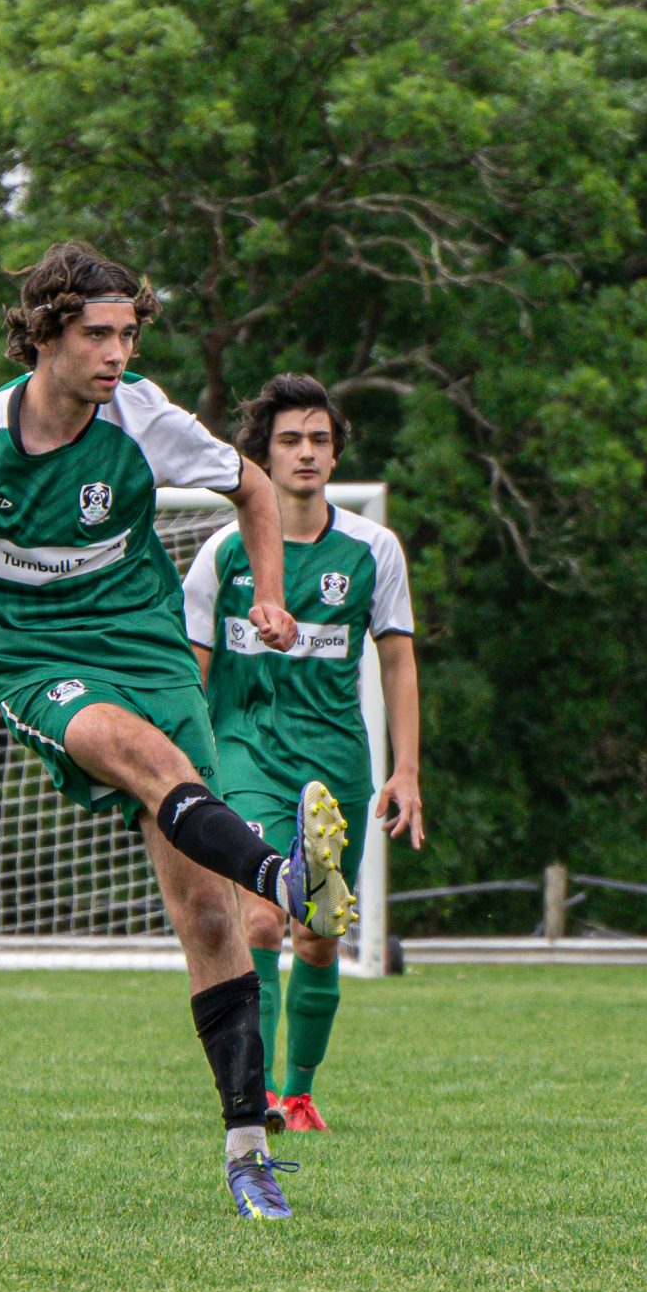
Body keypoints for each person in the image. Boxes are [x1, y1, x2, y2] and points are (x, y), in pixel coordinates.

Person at [0, 244, 354, 1220]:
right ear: (44, 332)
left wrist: (269, 594)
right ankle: (283, 873)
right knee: (145, 760)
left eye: (128, 332)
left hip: (144, 645)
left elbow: (253, 488)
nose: (117, 350)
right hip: (33, 654)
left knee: (207, 919)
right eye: (98, 332)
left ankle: (245, 1148)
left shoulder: (143, 416)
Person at [181, 376, 423, 1133]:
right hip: (247, 756)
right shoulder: (221, 555)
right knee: (259, 921)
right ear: (264, 454)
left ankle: (300, 1091)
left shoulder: (373, 549)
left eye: (320, 439)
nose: (307, 452)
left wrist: (406, 770)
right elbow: (193, 672)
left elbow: (397, 663)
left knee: (319, 936)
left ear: (335, 451)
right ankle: (251, 1095)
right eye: (291, 439)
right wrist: (181, 771)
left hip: (338, 762)